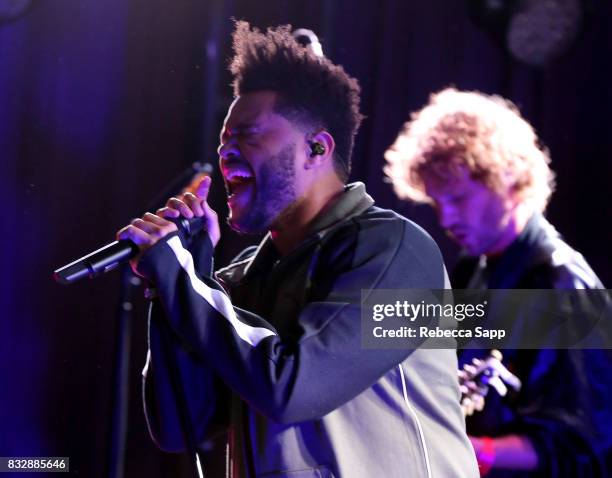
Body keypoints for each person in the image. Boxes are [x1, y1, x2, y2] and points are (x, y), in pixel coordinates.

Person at [117, 24, 478, 477]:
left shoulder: (394, 252)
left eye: (246, 136)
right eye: (223, 141)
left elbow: (293, 387)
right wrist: (176, 281)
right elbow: (179, 427)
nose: (225, 154)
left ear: (316, 147)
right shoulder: (241, 280)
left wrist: (182, 280)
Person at [385, 87, 611, 477]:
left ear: (506, 177)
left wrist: (463, 451)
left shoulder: (565, 288)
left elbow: (585, 447)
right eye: (438, 203)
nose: (446, 219)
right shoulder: (475, 268)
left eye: (457, 198)